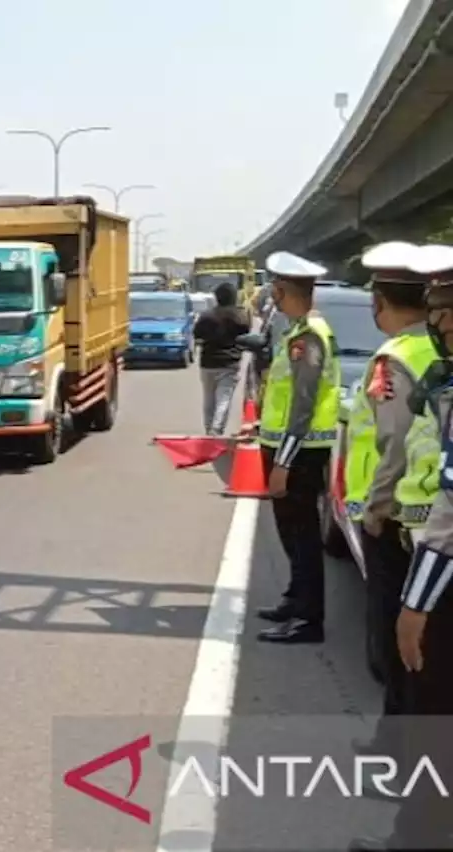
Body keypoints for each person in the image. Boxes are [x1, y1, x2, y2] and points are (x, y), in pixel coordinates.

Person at [351, 243, 453, 852]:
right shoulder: (434, 366)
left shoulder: (398, 357)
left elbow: (448, 505)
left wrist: (415, 604)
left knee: (431, 711)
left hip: (431, 556)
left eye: (446, 308)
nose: (437, 321)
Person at [342, 242, 439, 777]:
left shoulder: (396, 358)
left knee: (398, 648)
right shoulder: (436, 350)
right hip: (431, 522)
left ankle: (400, 762)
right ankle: (394, 750)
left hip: (405, 522)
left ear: (380, 302)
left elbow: (394, 445)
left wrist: (374, 513)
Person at [251, 251, 341, 644]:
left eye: (275, 288)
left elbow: (303, 405)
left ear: (282, 289)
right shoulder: (296, 331)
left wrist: (283, 463)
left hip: (300, 453)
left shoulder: (308, 338)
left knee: (302, 537)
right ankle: (294, 599)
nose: (272, 295)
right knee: (289, 532)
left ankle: (308, 620)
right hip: (285, 446)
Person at [193, 282, 250, 435]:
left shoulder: (206, 316)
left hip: (208, 363)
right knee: (224, 398)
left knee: (209, 399)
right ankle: (216, 429)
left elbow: (197, 336)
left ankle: (208, 428)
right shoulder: (241, 317)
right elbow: (246, 338)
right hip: (230, 363)